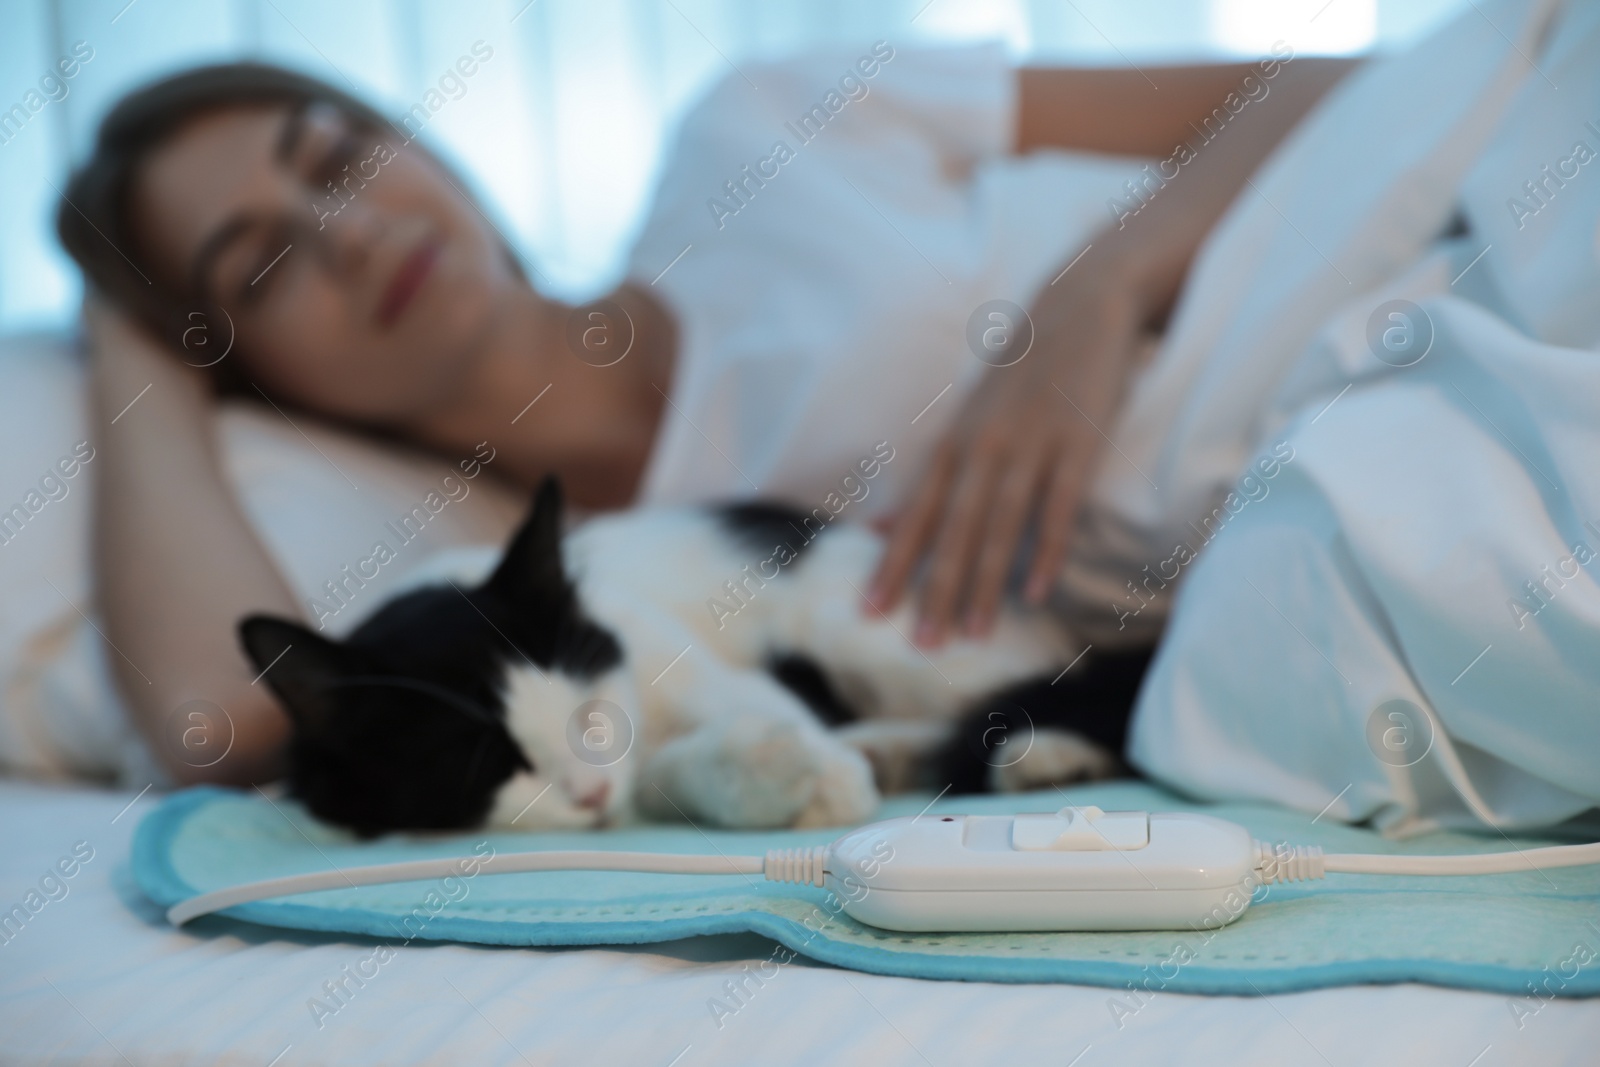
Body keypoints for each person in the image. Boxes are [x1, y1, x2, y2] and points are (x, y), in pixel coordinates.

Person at [59, 49, 1359, 786]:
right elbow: (216, 726)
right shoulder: (588, 600)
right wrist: (128, 340)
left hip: (1401, 239)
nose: (344, 232)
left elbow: (1326, 86)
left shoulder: (754, 132)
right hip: (1362, 507)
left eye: (336, 155)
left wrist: (1092, 297)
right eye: (262, 266)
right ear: (247, 374)